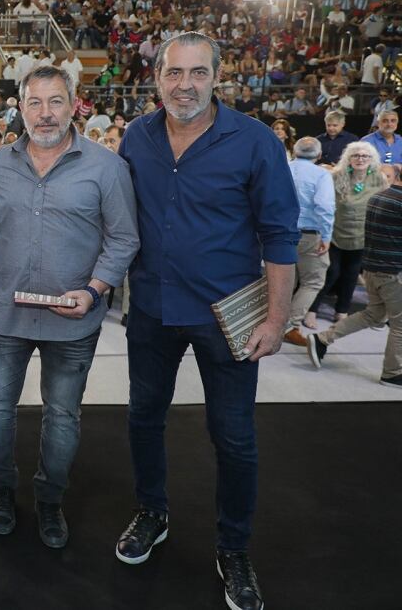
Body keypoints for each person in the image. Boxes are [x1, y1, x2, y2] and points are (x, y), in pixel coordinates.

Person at [116, 32, 299, 610]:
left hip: (229, 317)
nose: (184, 84)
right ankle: (152, 512)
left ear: (217, 77)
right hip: (151, 307)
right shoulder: (136, 138)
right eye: (174, 73)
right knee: (144, 417)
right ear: (157, 78)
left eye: (197, 73)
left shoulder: (254, 142)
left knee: (235, 438)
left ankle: (234, 548)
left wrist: (276, 318)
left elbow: (280, 234)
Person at [0, 65, 138, 548]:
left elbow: (125, 237)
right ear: (20, 106)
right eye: (34, 102)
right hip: (7, 317)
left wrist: (93, 291)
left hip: (75, 319)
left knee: (63, 415)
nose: (45, 114)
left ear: (74, 105)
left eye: (55, 102)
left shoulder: (106, 167)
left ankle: (50, 500)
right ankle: (2, 491)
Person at [308, 161, 402, 387]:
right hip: (393, 273)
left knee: (374, 315)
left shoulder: (379, 197)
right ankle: (393, 373)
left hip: (372, 269)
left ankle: (322, 339)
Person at [305, 143, 388, 328]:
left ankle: (341, 311)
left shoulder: (379, 179)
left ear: (371, 159)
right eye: (356, 155)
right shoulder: (336, 176)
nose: (360, 159)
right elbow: (325, 205)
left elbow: (382, 206)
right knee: (331, 272)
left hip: (362, 237)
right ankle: (312, 310)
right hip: (335, 234)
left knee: (351, 275)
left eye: (365, 156)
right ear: (348, 158)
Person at [282, 138, 336, 347]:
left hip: (279, 232)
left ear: (295, 151)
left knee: (285, 281)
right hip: (309, 234)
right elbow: (324, 205)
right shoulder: (321, 174)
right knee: (313, 281)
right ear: (319, 154)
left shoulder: (283, 168)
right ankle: (290, 325)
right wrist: (327, 235)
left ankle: (276, 321)